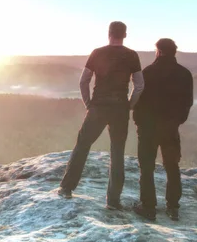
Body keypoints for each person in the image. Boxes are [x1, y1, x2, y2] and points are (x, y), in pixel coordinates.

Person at [58, 21, 144, 209]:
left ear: (109, 33)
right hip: (120, 108)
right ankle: (113, 201)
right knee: (117, 151)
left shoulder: (97, 53)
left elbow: (84, 81)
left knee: (82, 145)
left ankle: (66, 188)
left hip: (98, 107)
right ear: (125, 35)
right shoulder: (131, 55)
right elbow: (139, 85)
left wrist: (88, 103)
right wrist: (130, 104)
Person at [132, 38, 193, 221]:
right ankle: (173, 207)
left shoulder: (148, 72)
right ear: (174, 52)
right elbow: (187, 102)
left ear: (158, 51)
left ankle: (148, 207)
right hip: (170, 128)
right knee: (172, 166)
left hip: (148, 128)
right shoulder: (184, 74)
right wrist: (177, 121)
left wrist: (139, 121)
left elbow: (139, 100)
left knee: (147, 167)